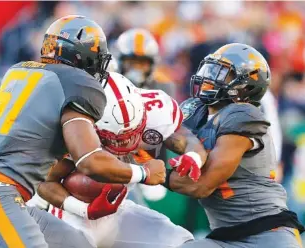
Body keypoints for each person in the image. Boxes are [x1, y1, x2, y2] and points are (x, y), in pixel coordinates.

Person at [0, 15, 166, 248]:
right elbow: (89, 161)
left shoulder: (19, 72)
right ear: (83, 56)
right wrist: (144, 173)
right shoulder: (77, 83)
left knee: (78, 244)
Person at [30, 71, 206, 248]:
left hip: (119, 210)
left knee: (177, 241)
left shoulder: (157, 112)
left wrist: (193, 158)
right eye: (117, 137)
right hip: (73, 216)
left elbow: (188, 140)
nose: (126, 141)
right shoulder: (77, 128)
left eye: (133, 132)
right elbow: (45, 183)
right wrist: (84, 210)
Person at [162, 43, 304, 248]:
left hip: (265, 234)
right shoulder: (196, 110)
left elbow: (202, 185)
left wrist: (149, 173)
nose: (209, 77)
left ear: (245, 85)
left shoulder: (243, 114)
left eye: (221, 73)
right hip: (224, 236)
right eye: (209, 69)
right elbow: (169, 134)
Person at [115, 28, 176, 98]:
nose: (137, 67)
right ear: (120, 62)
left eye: (142, 63)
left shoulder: (163, 89)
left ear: (152, 65)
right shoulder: (109, 86)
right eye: (131, 62)